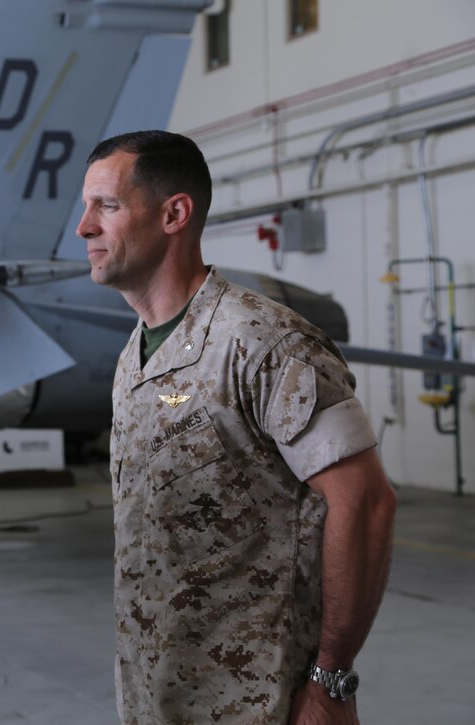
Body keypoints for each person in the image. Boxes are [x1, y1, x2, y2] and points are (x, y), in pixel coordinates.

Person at [76, 130, 397, 724]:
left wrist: (331, 680)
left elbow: (367, 503)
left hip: (259, 704)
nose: (85, 228)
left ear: (174, 214)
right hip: (158, 694)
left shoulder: (262, 343)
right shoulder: (134, 358)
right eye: (87, 207)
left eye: (108, 206)